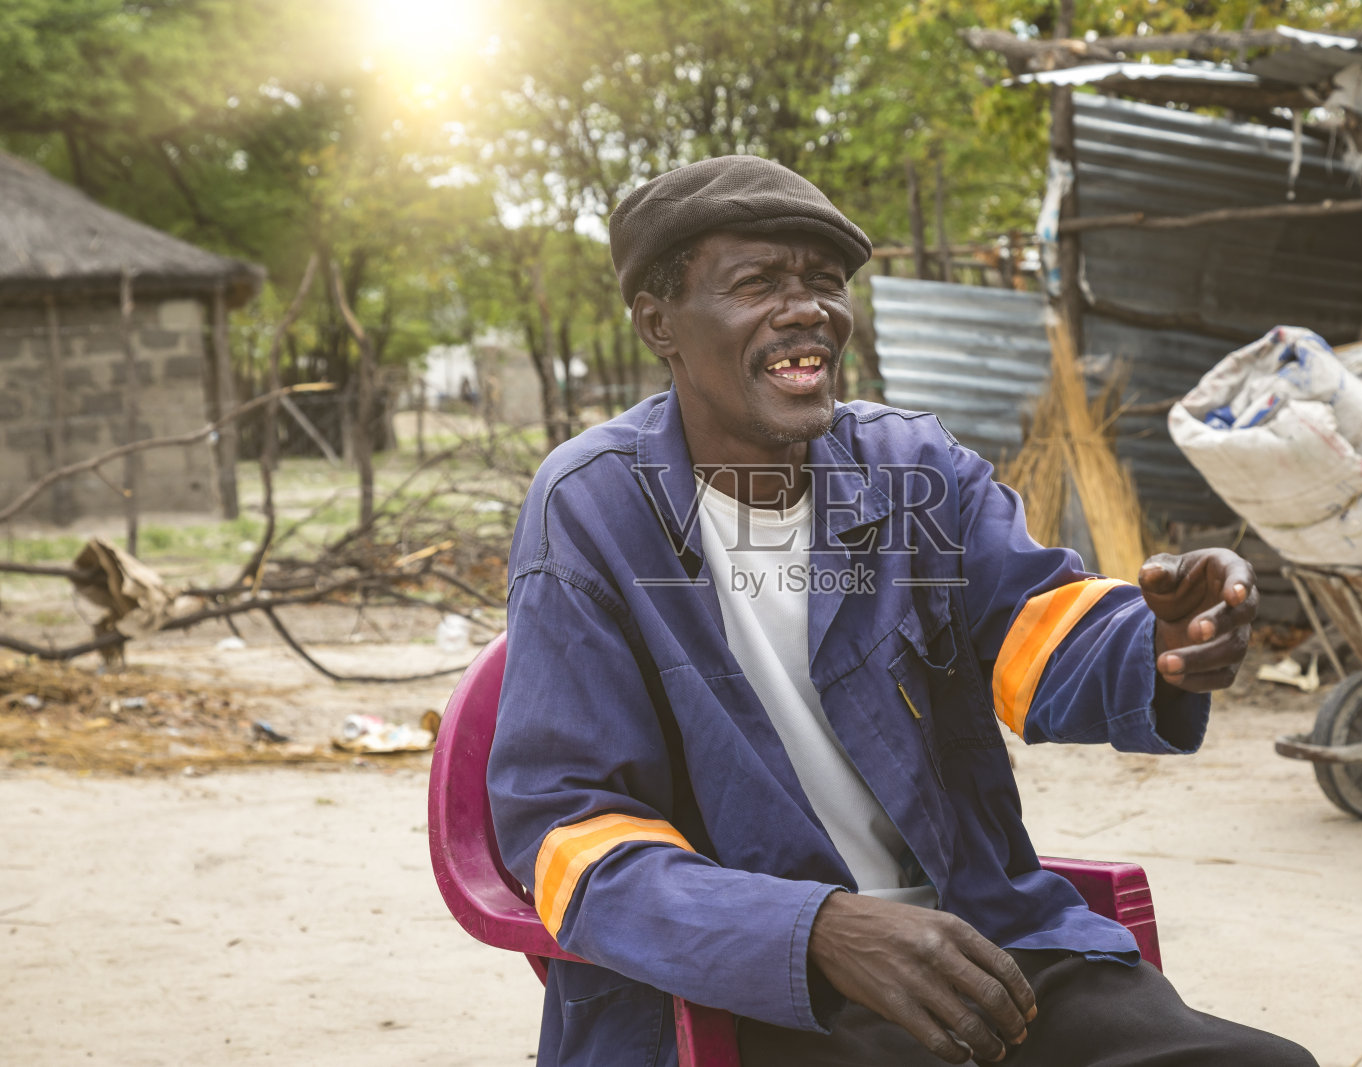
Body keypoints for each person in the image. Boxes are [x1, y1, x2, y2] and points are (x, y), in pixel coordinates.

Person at [487, 156, 1316, 1067]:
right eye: (758, 282)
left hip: (981, 944)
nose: (806, 308)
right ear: (660, 325)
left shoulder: (911, 467)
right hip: (749, 991)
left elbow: (1035, 632)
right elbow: (565, 829)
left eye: (824, 282)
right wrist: (816, 930)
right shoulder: (593, 507)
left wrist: (1157, 639)